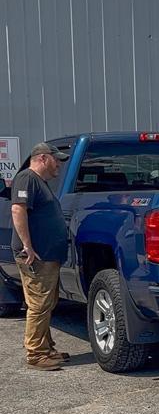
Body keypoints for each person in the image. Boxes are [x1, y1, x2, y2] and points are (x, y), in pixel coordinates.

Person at [12, 143, 70, 371]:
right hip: (36, 256)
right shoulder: (27, 178)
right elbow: (18, 209)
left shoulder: (40, 183)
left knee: (46, 303)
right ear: (44, 158)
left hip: (47, 256)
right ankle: (36, 354)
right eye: (57, 160)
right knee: (38, 304)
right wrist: (27, 246)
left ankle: (46, 348)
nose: (59, 165)